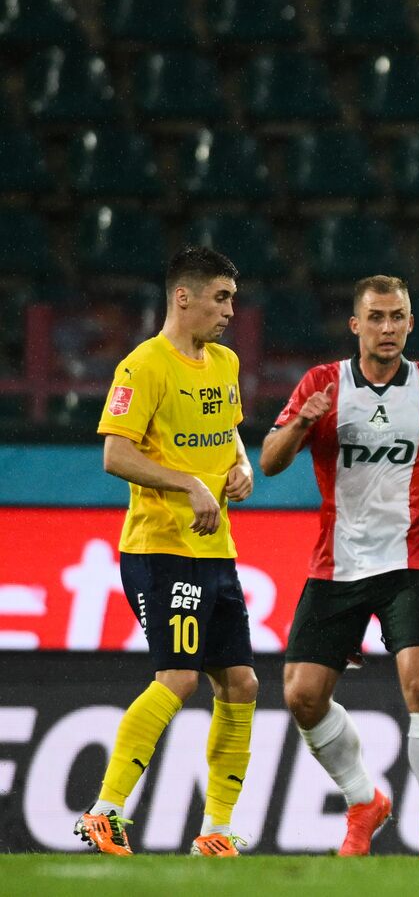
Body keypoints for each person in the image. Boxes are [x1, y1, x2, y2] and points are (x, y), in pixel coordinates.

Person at [260, 275, 419, 859]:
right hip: (335, 565)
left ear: (411, 324)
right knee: (301, 697)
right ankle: (364, 799)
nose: (388, 328)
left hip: (410, 560)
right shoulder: (321, 385)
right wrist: (298, 422)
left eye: (398, 318)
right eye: (377, 317)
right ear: (355, 325)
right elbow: (268, 463)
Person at [78, 247, 258, 858]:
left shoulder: (224, 363)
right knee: (179, 676)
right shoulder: (143, 366)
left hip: (216, 549)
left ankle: (216, 830)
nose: (231, 310)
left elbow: (229, 428)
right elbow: (115, 454)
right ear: (183, 297)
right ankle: (104, 811)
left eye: (231, 298)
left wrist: (241, 463)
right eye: (221, 297)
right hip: (160, 548)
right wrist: (189, 482)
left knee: (240, 683)